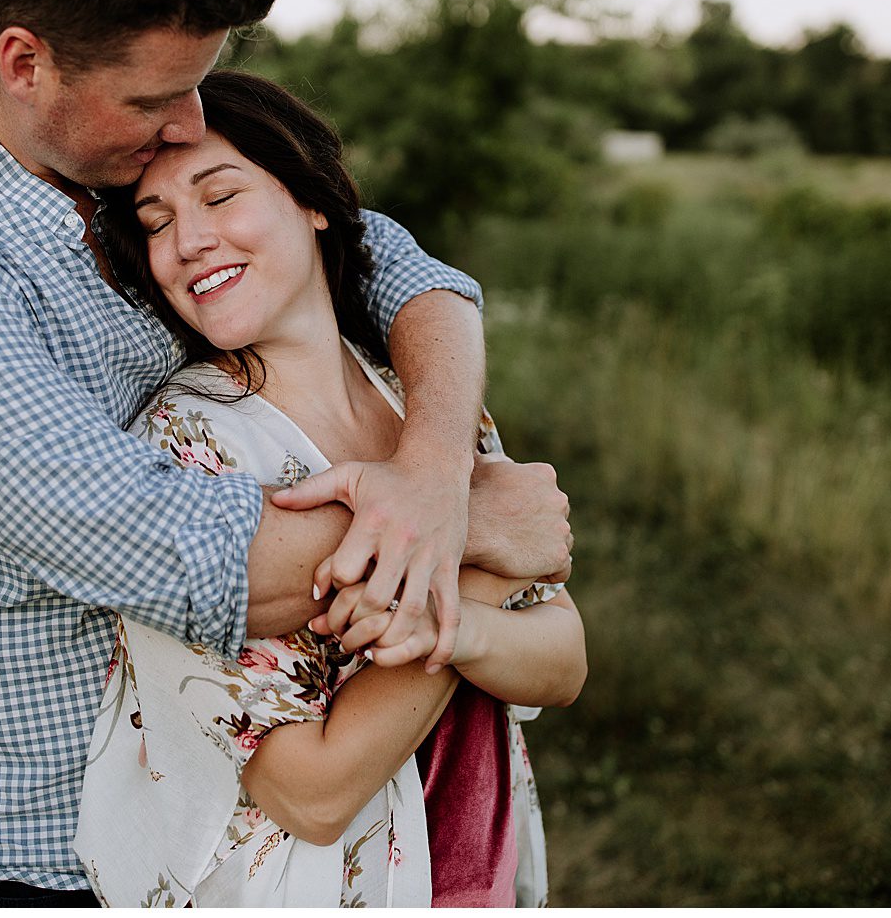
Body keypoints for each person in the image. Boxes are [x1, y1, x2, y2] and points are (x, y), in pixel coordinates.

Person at [0, 0, 572, 906]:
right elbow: (169, 552)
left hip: (245, 842)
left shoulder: (122, 156)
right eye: (156, 98)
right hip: (35, 841)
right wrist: (478, 523)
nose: (188, 123)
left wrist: (434, 471)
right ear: (24, 62)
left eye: (200, 85)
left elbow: (395, 265)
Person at [75, 70, 586, 907]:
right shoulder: (184, 450)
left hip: (478, 865)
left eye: (220, 195)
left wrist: (447, 623)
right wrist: (471, 555)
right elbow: (309, 791)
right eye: (157, 221)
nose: (189, 239)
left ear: (312, 199)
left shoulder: (426, 405)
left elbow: (564, 660)